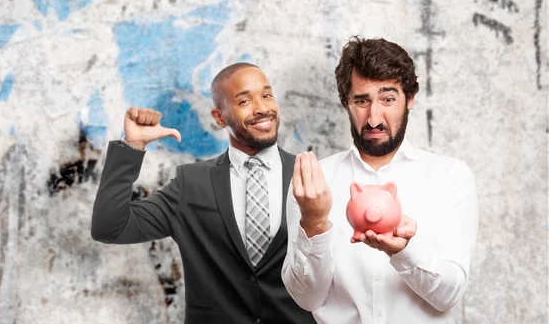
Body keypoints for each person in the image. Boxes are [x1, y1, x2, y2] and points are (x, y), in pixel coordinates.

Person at [91, 63, 316, 324]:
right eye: (244, 100)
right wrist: (132, 147)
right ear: (220, 118)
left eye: (266, 95)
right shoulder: (191, 183)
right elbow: (109, 228)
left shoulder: (312, 174)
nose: (262, 108)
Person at [282, 37, 479, 324]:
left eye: (388, 99)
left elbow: (449, 296)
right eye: (362, 101)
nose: (374, 118)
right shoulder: (313, 183)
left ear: (409, 99)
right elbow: (307, 298)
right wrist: (313, 222)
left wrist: (404, 251)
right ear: (346, 103)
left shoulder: (450, 177)